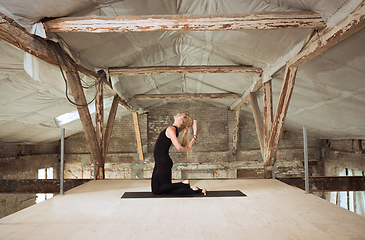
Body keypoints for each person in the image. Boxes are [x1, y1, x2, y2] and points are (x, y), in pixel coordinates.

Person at [151, 113, 207, 195]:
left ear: (180, 121)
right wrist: (193, 138)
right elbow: (194, 122)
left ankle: (185, 184)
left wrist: (188, 148)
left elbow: (179, 147)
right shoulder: (175, 129)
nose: (178, 113)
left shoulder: (171, 129)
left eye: (180, 114)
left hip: (163, 162)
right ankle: (194, 189)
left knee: (160, 190)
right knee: (161, 189)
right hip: (161, 162)